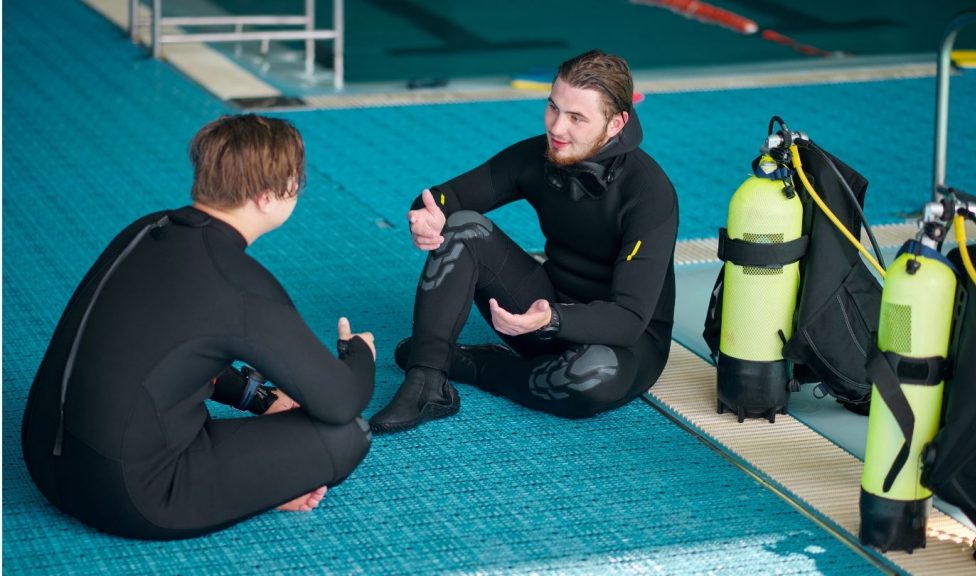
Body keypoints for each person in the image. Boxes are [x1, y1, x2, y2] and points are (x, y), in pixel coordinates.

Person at [21, 114, 376, 540]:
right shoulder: (239, 284)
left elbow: (171, 346)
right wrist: (359, 354)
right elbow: (341, 400)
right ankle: (256, 490)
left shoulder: (148, 228)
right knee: (347, 436)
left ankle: (245, 481)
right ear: (270, 196)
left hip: (45, 458)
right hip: (131, 494)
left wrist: (260, 399)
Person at [370, 50, 678, 433]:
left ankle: (479, 365)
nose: (557, 128)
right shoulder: (542, 154)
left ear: (616, 123)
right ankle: (427, 379)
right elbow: (447, 198)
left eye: (577, 118)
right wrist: (427, 216)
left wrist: (553, 318)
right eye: (553, 107)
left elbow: (630, 320)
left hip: (624, 344)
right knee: (463, 227)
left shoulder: (649, 193)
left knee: (590, 379)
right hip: (539, 310)